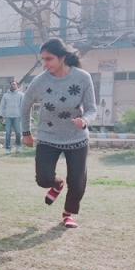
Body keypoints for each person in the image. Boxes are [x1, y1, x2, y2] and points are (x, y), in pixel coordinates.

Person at [21, 38, 97, 229]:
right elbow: (25, 105)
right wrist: (26, 132)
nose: (45, 64)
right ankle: (57, 184)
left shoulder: (82, 78)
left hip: (77, 138)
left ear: (62, 57)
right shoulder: (40, 81)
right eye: (43, 60)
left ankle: (68, 214)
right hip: (48, 136)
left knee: (77, 182)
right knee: (43, 179)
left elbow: (91, 109)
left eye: (49, 59)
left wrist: (85, 120)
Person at [0, 80, 24, 154]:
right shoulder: (5, 95)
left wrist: (23, 116)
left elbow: (23, 106)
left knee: (18, 133)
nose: (12, 85)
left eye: (14, 84)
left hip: (17, 117)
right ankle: (7, 149)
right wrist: (1, 116)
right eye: (11, 84)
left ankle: (18, 147)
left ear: (17, 86)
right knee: (8, 133)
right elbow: (2, 106)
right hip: (8, 117)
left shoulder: (21, 95)